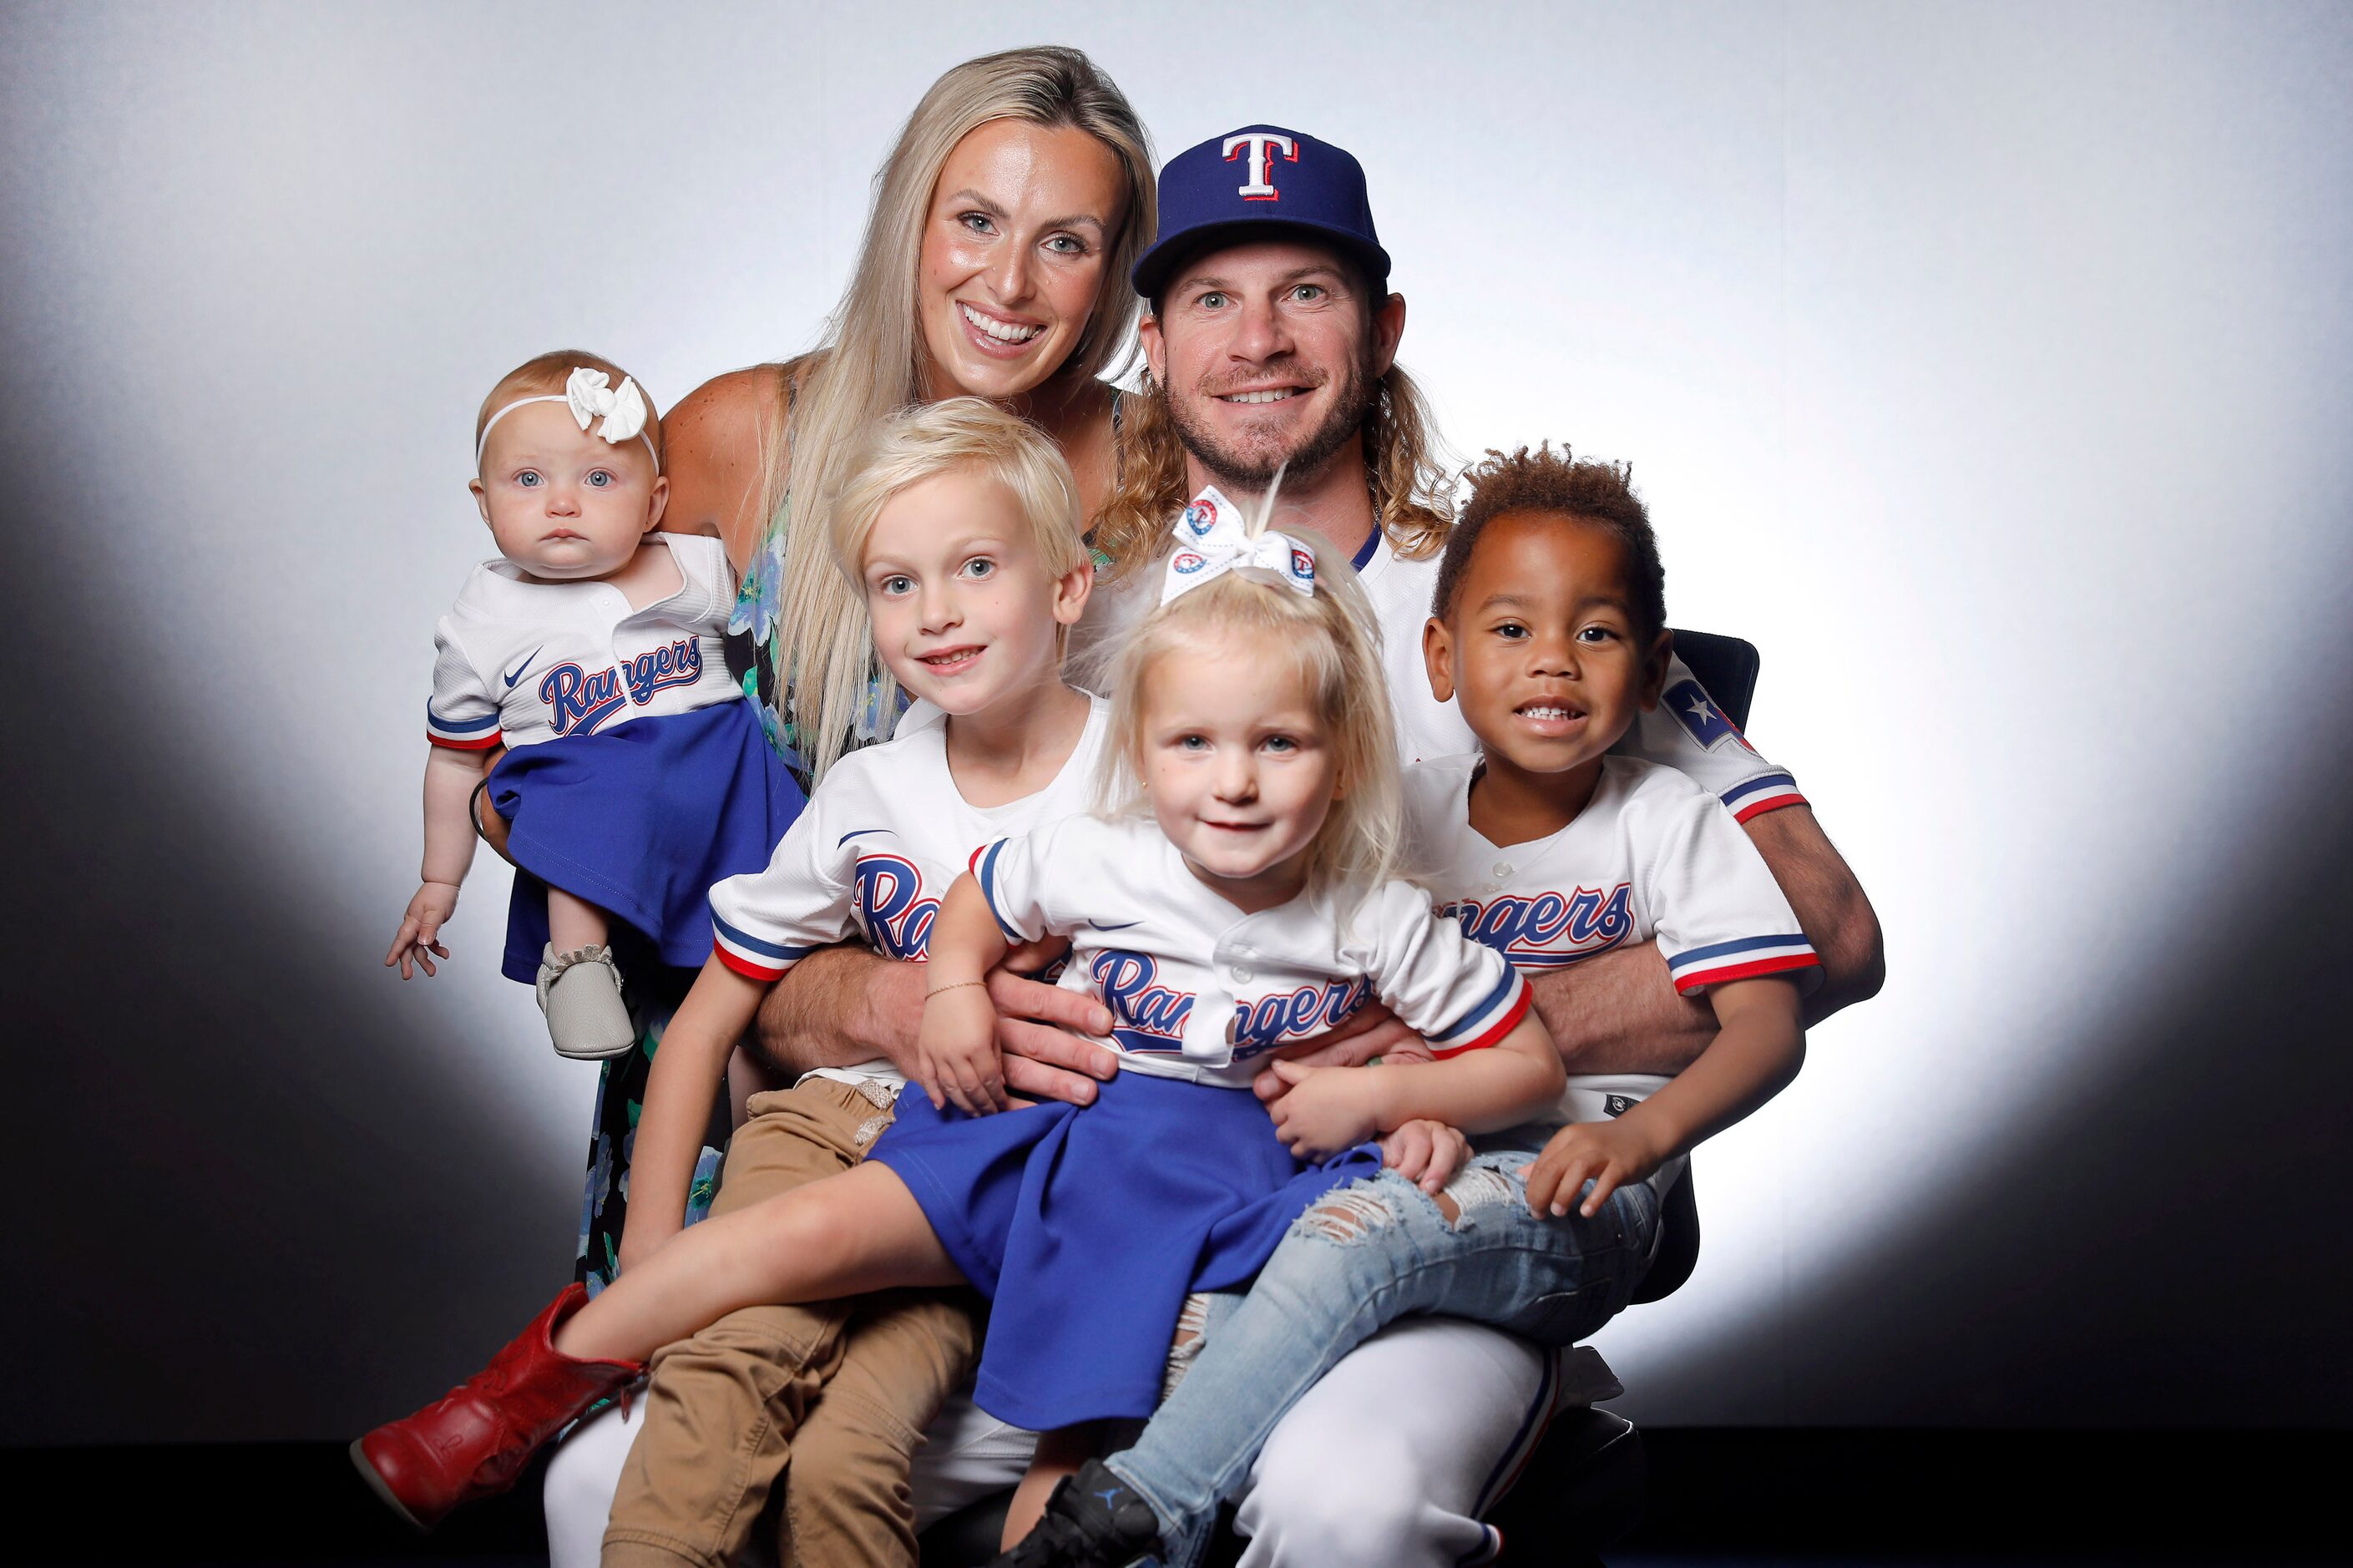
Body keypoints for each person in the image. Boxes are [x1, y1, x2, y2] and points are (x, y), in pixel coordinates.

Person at [354, 474, 1571, 1553]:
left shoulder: (1370, 918)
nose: (1235, 779)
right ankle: (509, 1402)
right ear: (1144, 753)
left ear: (1346, 757)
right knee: (791, 1234)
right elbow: (977, 901)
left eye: (1279, 743)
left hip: (1208, 1177)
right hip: (1039, 1120)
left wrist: (1395, 1095)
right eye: (1193, 742)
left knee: (1076, 1461)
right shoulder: (1105, 850)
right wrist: (943, 992)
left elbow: (1521, 1062)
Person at [1073, 123, 1886, 1564]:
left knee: (1343, 1511)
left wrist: (1415, 1059)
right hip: (1153, 1196)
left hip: (1453, 1185)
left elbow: (1827, 931)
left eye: (1305, 292)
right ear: (1149, 339)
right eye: (1211, 297)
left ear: (1382, 329)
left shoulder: (1508, 597)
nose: (1257, 337)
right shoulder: (1089, 624)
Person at [519, 47, 1158, 1568]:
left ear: (1119, 276)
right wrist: (530, 812)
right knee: (667, 1473)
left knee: (883, 1461)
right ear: (905, 221)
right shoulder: (752, 433)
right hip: (765, 1085)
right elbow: (553, 689)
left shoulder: (1152, 469)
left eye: (1066, 241)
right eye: (973, 220)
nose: (1011, 280)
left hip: (1054, 1108)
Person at [1004, 446, 1820, 1568]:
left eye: (1594, 633)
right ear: (1437, 655)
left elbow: (1770, 1024)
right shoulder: (1396, 813)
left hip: (1577, 1183)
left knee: (1349, 1239)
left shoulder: (1666, 819)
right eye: (1509, 630)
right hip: (1395, 1160)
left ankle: (1139, 1501)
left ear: (1648, 665)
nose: (1552, 663)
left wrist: (1638, 1135)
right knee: (1245, 1287)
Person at [385, 351, 802, 1059]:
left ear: (655, 501)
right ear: (483, 502)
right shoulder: (483, 618)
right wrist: (439, 878)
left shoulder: (693, 561)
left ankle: (765, 1046)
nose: (562, 503)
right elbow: (456, 762)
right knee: (577, 793)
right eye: (527, 480)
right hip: (590, 777)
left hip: (715, 763)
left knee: (775, 839)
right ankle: (576, 965)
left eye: (600, 479)